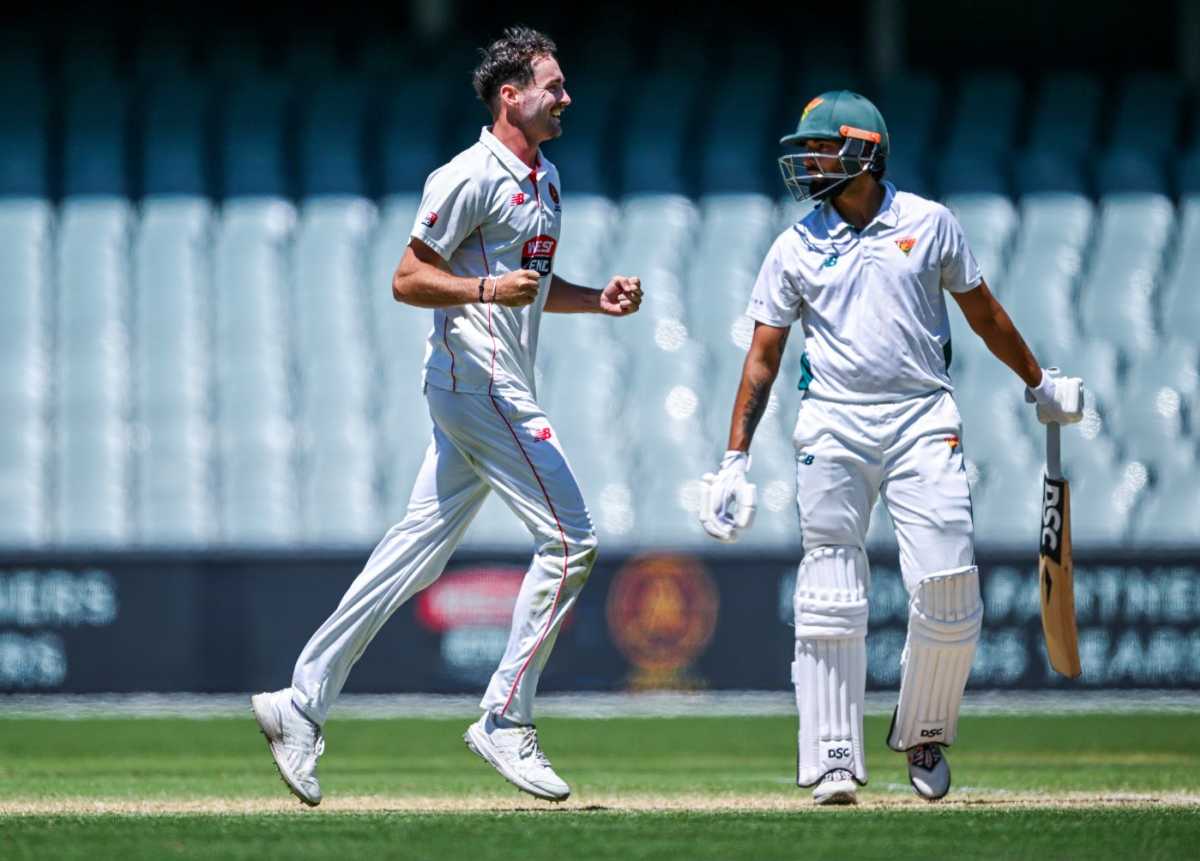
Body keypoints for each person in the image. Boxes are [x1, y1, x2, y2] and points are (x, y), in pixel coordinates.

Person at [252, 26, 642, 807]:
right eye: (553, 86)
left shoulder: (546, 177)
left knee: (412, 555)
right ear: (511, 95)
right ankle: (504, 716)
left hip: (491, 382)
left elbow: (529, 281)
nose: (566, 97)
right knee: (572, 541)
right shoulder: (465, 175)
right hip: (479, 383)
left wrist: (591, 299)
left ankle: (300, 702)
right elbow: (406, 278)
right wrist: (480, 293)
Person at [698, 91, 1083, 805]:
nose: (807, 160)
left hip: (921, 418)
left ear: (863, 153)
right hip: (833, 422)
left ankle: (925, 728)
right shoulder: (794, 245)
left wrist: (1039, 381)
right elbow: (762, 357)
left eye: (820, 147)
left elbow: (985, 314)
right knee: (830, 589)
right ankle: (833, 754)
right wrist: (735, 458)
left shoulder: (930, 224)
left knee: (947, 584)